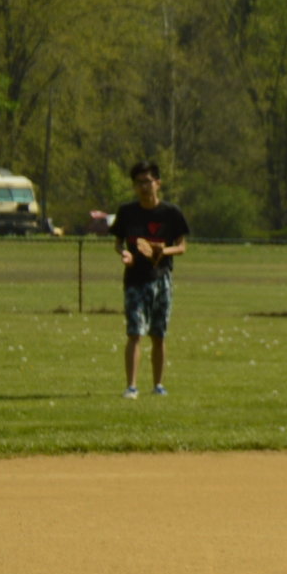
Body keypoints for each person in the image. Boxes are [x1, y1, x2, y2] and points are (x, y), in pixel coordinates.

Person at [110, 161, 189, 399]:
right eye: (139, 183)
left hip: (161, 279)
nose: (144, 187)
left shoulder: (171, 213)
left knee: (159, 334)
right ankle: (131, 386)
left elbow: (182, 247)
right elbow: (118, 242)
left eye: (148, 181)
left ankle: (158, 385)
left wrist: (161, 251)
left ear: (158, 183)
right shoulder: (127, 212)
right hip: (135, 280)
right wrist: (124, 253)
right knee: (135, 333)